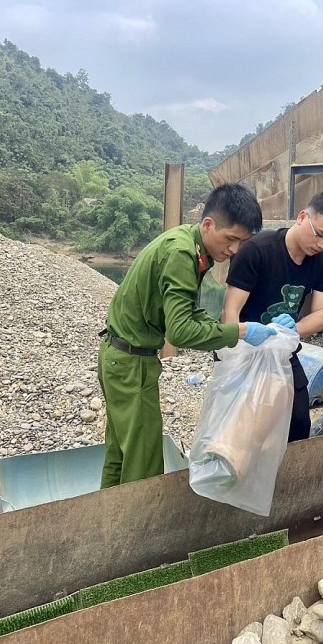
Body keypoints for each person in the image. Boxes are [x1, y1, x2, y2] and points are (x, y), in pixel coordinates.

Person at [98, 183, 278, 488]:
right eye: (231, 239)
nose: (234, 250)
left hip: (119, 358)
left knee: (120, 453)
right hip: (131, 366)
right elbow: (180, 331)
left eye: (242, 243)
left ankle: (107, 525)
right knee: (143, 461)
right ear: (208, 224)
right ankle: (136, 531)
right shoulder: (182, 254)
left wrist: (222, 329)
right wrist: (241, 331)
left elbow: (186, 313)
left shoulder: (189, 243)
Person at [222, 189, 323, 442]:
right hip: (244, 349)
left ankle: (287, 477)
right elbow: (230, 312)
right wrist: (237, 352)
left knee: (298, 420)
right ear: (302, 217)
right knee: (242, 426)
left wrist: (293, 329)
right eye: (320, 235)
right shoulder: (256, 250)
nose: (322, 245)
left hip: (282, 349)